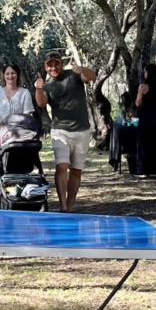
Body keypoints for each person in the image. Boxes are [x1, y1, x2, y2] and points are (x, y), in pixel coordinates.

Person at [34, 49, 96, 211]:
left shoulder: (73, 76)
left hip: (82, 131)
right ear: (46, 67)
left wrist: (82, 69)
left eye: (56, 64)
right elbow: (41, 103)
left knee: (76, 170)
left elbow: (92, 76)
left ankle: (70, 205)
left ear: (61, 64)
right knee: (61, 167)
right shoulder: (46, 86)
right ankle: (62, 206)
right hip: (60, 131)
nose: (53, 68)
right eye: (50, 65)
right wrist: (38, 89)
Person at [134, 63, 156, 176]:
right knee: (155, 144)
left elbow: (138, 103)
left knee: (143, 143)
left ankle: (142, 169)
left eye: (145, 71)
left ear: (148, 73)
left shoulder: (143, 86)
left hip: (145, 117)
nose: (144, 73)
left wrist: (139, 93)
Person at [0, 64, 35, 128]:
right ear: (3, 76)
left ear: (17, 75)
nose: (10, 76)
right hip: (0, 130)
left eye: (13, 73)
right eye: (7, 74)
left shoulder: (25, 92)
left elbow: (27, 114)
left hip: (19, 131)